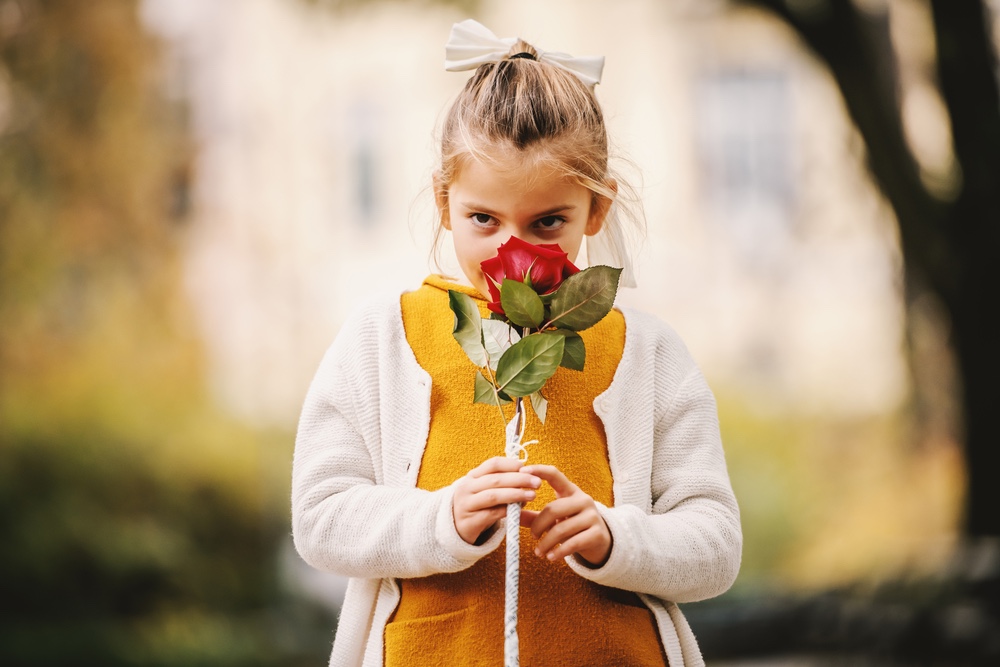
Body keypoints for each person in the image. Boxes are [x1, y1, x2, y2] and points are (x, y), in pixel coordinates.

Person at [292, 19, 741, 667]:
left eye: (548, 221)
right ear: (445, 204)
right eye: (483, 219)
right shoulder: (382, 339)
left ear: (597, 209)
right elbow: (321, 517)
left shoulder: (647, 355)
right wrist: (440, 519)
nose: (516, 250)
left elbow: (716, 545)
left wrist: (617, 537)